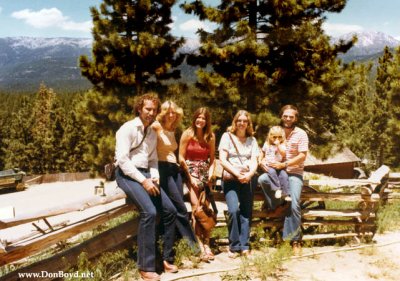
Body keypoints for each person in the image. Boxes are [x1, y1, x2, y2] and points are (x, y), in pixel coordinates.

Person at [115, 93, 178, 281]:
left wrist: (155, 176)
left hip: (147, 174)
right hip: (127, 174)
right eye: (147, 109)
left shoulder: (151, 133)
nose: (151, 113)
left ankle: (166, 259)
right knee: (149, 212)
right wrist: (143, 181)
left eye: (154, 110)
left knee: (170, 210)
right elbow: (123, 161)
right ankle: (146, 266)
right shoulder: (127, 129)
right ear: (139, 109)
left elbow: (152, 160)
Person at [258, 105, 309, 253]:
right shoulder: (276, 131)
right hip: (274, 171)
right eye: (285, 116)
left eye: (291, 116)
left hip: (293, 172)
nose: (288, 119)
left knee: (294, 204)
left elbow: (302, 156)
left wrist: (284, 164)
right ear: (281, 116)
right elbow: (263, 150)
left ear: (296, 118)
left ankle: (295, 241)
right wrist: (261, 161)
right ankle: (279, 204)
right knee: (262, 180)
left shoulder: (301, 134)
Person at [152, 101, 198, 252]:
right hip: (162, 167)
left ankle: (178, 243)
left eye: (174, 113)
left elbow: (178, 152)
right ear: (163, 113)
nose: (171, 115)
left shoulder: (174, 129)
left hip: (174, 169)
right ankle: (195, 248)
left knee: (178, 208)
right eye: (168, 112)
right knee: (179, 207)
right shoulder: (156, 126)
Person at [218, 110, 259, 258]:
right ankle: (234, 245)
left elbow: (255, 160)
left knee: (246, 212)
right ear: (235, 122)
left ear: (248, 123)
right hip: (231, 178)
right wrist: (238, 174)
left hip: (247, 179)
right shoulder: (226, 137)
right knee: (234, 210)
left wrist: (249, 174)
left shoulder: (252, 140)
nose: (242, 123)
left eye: (245, 121)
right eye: (239, 120)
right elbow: (223, 160)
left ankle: (244, 245)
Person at [179, 107, 216, 262]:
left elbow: (213, 158)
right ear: (194, 118)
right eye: (198, 117)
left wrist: (211, 175)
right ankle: (199, 245)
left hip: (205, 174)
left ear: (207, 121)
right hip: (190, 173)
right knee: (197, 209)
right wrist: (190, 177)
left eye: (204, 118)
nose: (201, 120)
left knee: (205, 208)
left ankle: (207, 244)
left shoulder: (210, 136)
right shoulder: (188, 134)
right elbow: (180, 157)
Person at [260, 126, 290, 200]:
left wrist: (278, 145)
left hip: (278, 165)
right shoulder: (267, 144)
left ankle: (285, 194)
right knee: (272, 172)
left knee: (284, 175)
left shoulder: (282, 145)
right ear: (270, 136)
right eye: (275, 137)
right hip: (269, 165)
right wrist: (260, 160)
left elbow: (283, 154)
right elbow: (262, 152)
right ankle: (277, 189)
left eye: (279, 137)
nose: (277, 139)